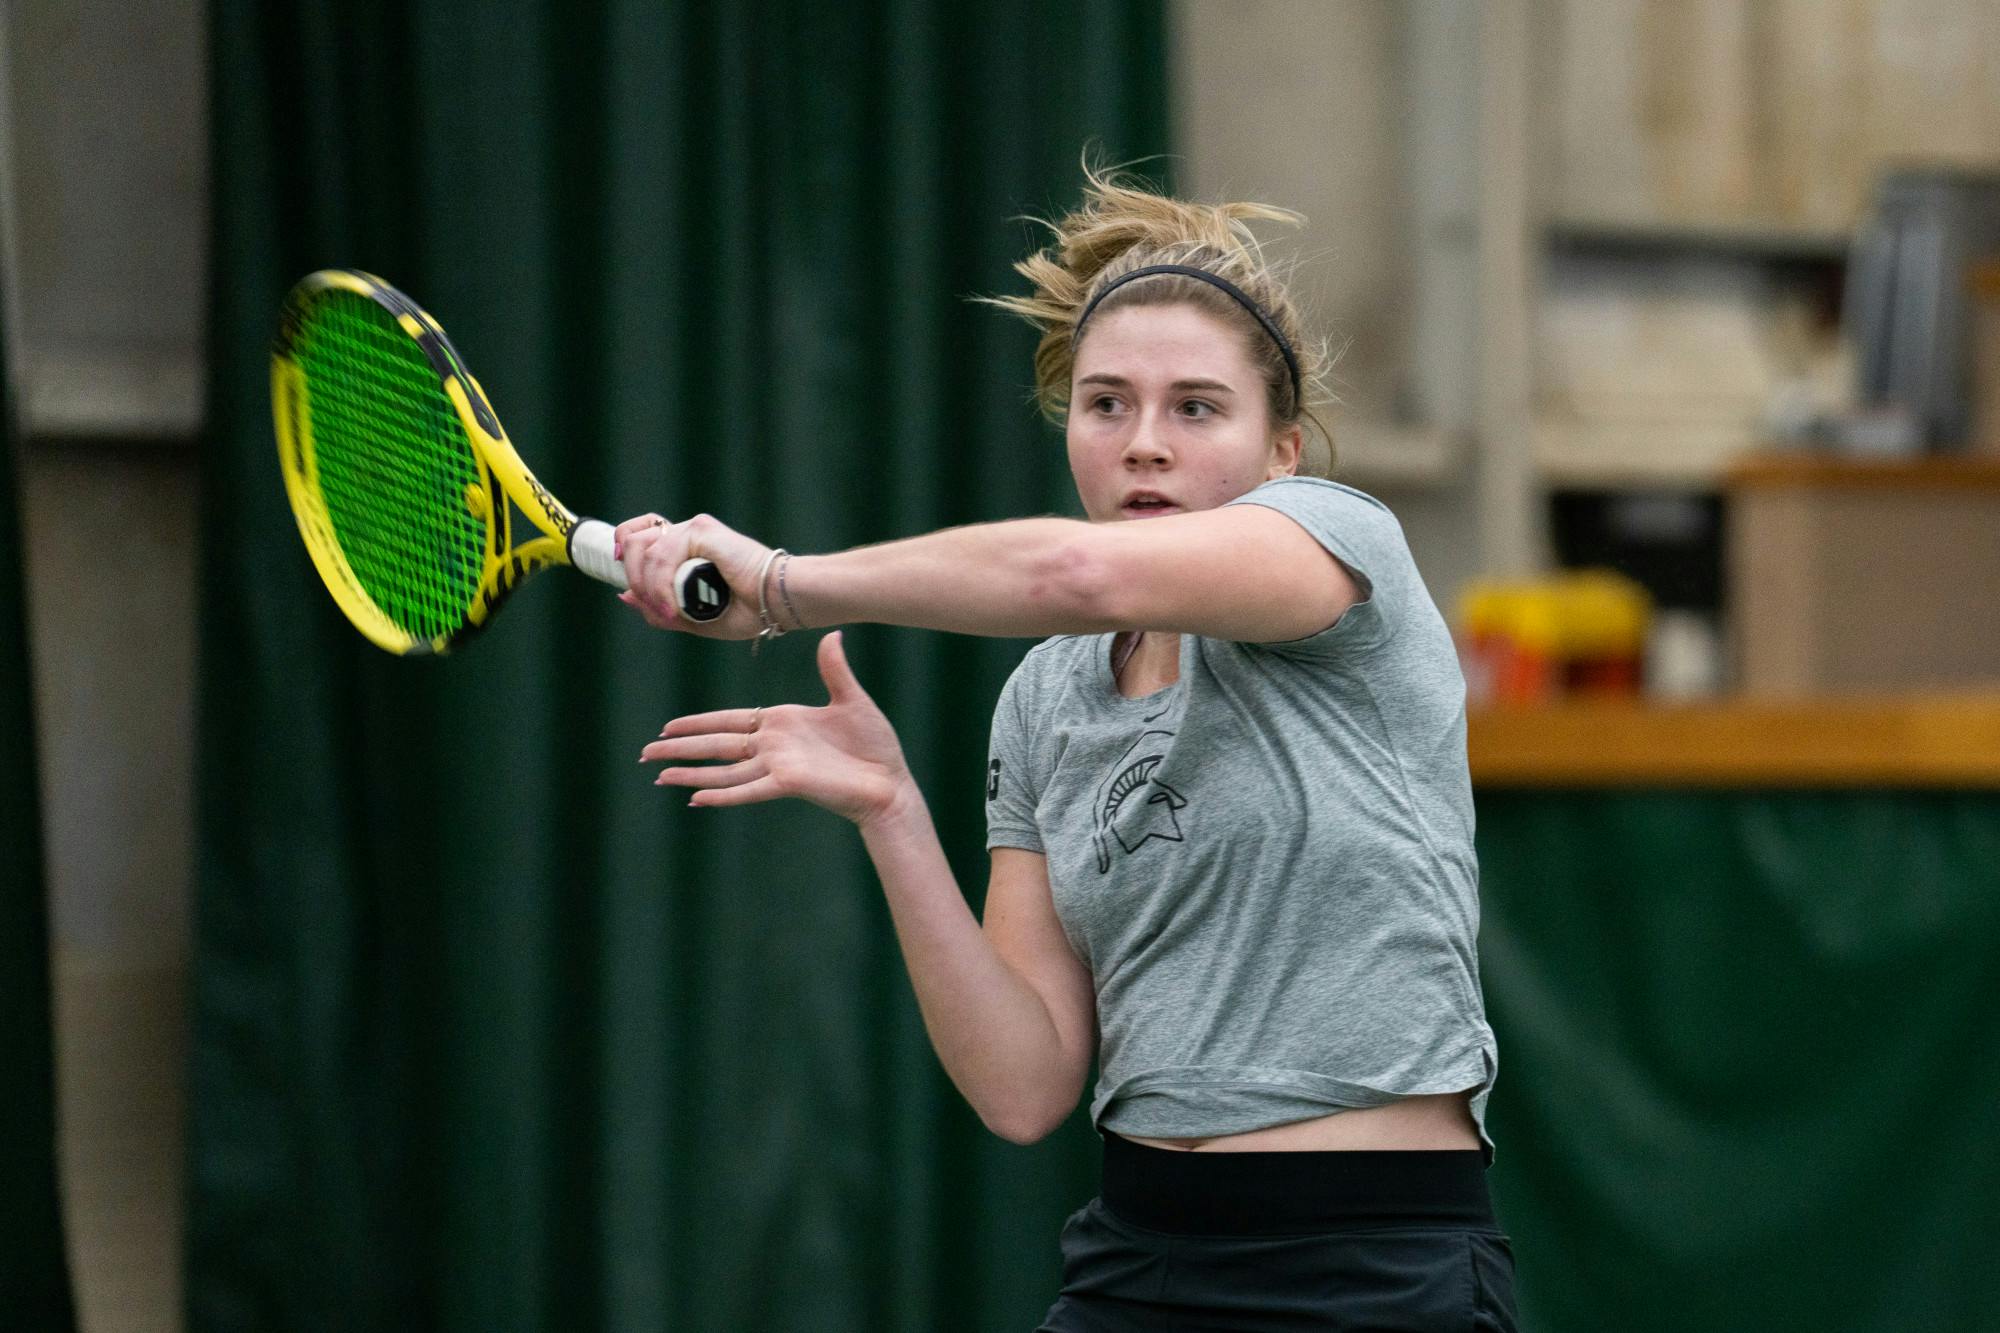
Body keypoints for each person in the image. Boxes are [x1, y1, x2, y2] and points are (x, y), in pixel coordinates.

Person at [618, 164, 1517, 1331]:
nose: (1143, 444)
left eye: (1195, 407)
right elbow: (1022, 1084)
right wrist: (892, 812)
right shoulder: (1046, 698)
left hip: (1372, 1267)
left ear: (1280, 451)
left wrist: (782, 586)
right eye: (1106, 405)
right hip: (1136, 1264)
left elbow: (1070, 572)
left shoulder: (1342, 549)